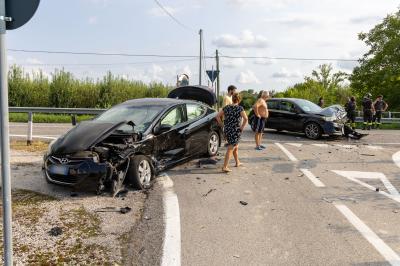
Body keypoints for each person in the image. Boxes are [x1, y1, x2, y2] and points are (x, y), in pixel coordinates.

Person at [216, 93, 248, 173]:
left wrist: (222, 125)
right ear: (239, 100)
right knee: (231, 148)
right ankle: (225, 166)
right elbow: (246, 119)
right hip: (235, 130)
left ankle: (237, 162)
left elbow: (217, 116)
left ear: (232, 98)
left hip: (227, 129)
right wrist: (242, 127)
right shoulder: (240, 108)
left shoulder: (226, 107)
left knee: (235, 146)